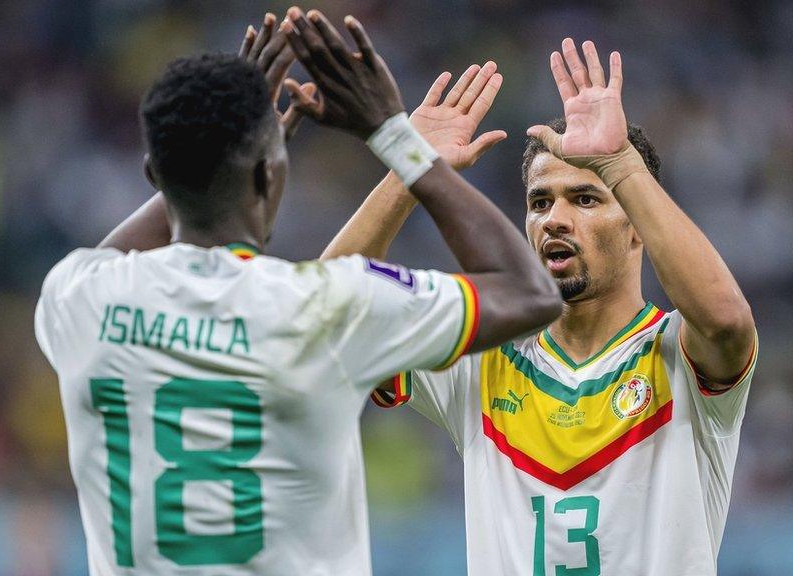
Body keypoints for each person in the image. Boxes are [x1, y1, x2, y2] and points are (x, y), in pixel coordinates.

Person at [33, 9, 560, 575]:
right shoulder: (328, 305)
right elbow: (530, 295)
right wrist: (396, 138)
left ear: (154, 176)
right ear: (269, 178)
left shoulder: (79, 298)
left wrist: (215, 148)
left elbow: (127, 237)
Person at [324, 38, 758, 576]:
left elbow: (725, 318)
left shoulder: (677, 355)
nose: (553, 218)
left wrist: (620, 161)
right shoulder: (481, 359)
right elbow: (329, 310)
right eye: (539, 202)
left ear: (638, 228)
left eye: (586, 198)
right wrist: (407, 168)